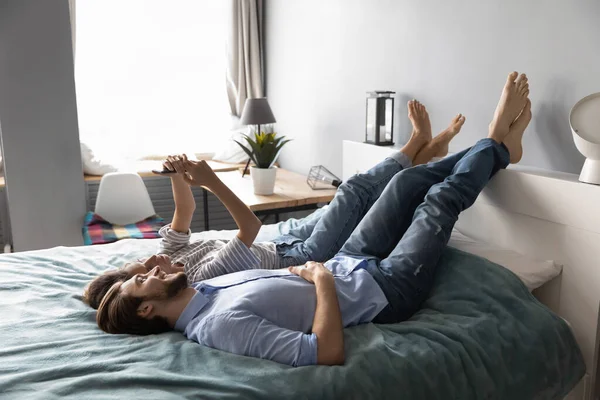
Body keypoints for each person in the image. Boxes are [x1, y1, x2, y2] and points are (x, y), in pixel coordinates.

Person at [95, 72, 531, 367]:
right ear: (148, 308)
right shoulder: (219, 327)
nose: (150, 267)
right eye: (139, 279)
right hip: (385, 292)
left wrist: (326, 271)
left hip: (349, 262)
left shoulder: (203, 290)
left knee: (404, 184)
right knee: (437, 202)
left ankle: (497, 149)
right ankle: (497, 143)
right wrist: (322, 283)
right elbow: (323, 354)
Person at [83, 100, 465, 309]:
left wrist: (176, 176)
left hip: (280, 241)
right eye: (145, 271)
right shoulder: (193, 281)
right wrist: (212, 179)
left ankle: (422, 156)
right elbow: (248, 229)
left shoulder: (170, 257)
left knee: (348, 204)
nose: (151, 263)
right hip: (297, 255)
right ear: (146, 291)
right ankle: (415, 148)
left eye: (142, 262)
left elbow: (184, 214)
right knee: (350, 195)